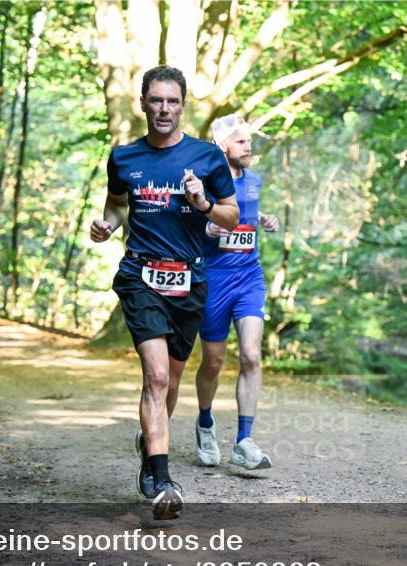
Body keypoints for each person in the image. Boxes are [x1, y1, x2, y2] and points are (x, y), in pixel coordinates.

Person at [89, 65, 239, 520]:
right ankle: (163, 480)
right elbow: (117, 204)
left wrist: (203, 203)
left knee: (171, 382)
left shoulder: (207, 158)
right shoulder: (124, 158)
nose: (164, 109)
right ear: (143, 104)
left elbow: (231, 216)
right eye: (156, 100)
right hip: (141, 275)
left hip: (189, 279)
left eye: (172, 101)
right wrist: (107, 225)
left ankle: (149, 449)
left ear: (183, 106)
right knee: (155, 376)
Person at [194, 114, 279, 471]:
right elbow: (189, 225)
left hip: (249, 277)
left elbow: (247, 216)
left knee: (251, 356)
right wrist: (206, 230)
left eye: (249, 141)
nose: (248, 147)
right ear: (223, 145)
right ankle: (205, 423)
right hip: (214, 279)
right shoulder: (205, 184)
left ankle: (244, 440)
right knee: (213, 361)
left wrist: (265, 220)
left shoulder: (254, 181)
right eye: (241, 141)